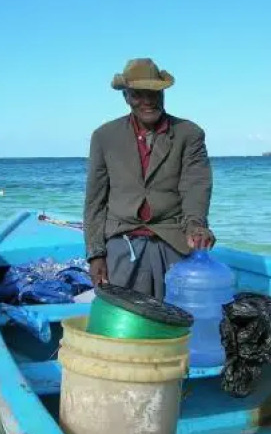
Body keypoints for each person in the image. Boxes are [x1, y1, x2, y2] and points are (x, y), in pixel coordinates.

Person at [83, 58, 215, 301]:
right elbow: (95, 201)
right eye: (138, 95)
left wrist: (196, 226)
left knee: (178, 314)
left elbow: (195, 186)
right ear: (126, 97)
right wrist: (95, 254)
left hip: (173, 238)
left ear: (162, 94)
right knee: (125, 315)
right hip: (122, 240)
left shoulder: (189, 134)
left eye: (154, 93)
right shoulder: (104, 137)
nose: (148, 101)